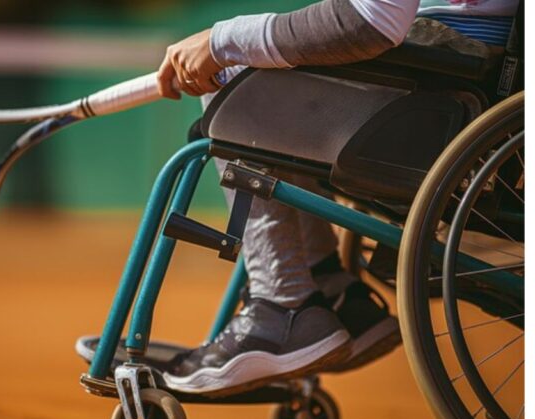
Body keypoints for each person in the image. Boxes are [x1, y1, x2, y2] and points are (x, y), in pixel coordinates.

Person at [155, 0, 519, 395]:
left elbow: (372, 21)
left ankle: (283, 304)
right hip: (458, 80)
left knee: (232, 73)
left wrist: (222, 41)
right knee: (254, 66)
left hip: (447, 86)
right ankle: (329, 288)